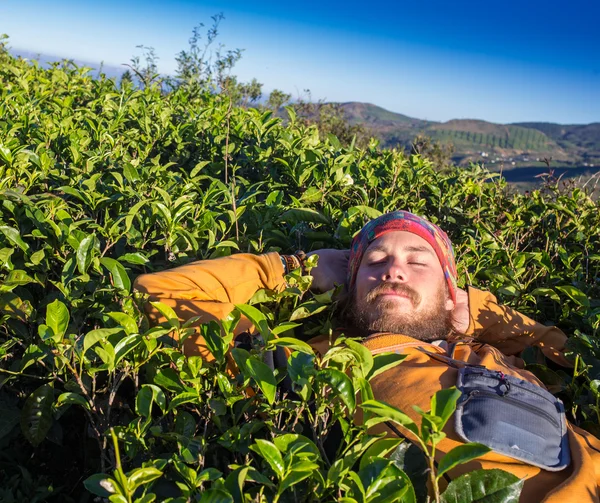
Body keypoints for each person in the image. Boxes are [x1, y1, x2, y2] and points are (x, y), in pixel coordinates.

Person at [134, 210, 600, 502]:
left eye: (419, 262)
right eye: (373, 261)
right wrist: (292, 269)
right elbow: (160, 295)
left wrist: (468, 315)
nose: (394, 268)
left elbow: (562, 350)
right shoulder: (316, 362)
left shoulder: (489, 351)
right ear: (347, 287)